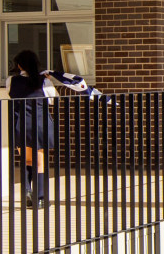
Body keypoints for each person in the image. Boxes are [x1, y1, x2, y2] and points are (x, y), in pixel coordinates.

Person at [7, 50, 99, 205]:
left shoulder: (12, 80)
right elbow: (52, 99)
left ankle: (26, 192)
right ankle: (40, 197)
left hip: (20, 122)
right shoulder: (43, 81)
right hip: (39, 122)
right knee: (39, 162)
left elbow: (10, 95)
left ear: (19, 65)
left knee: (26, 160)